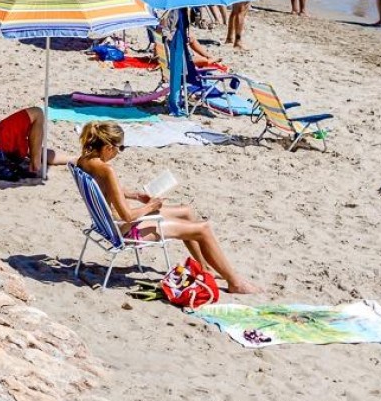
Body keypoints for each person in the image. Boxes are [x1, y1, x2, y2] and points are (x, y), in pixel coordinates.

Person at [74, 122, 261, 293]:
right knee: (203, 229)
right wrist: (151, 206)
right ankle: (235, 283)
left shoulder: (85, 160)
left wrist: (136, 195)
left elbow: (104, 188)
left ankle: (205, 267)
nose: (119, 153)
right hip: (123, 231)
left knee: (186, 211)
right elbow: (128, 216)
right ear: (108, 147)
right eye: (120, 148)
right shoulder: (107, 170)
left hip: (106, 224)